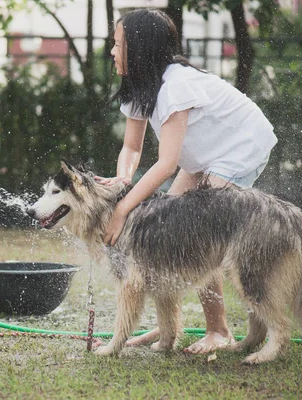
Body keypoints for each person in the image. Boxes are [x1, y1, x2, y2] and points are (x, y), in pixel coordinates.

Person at [97, 9, 277, 353]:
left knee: (196, 232)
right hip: (202, 156)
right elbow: (131, 147)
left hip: (241, 147)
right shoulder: (140, 86)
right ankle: (168, 323)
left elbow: (165, 165)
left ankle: (220, 330)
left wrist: (122, 209)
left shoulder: (175, 86)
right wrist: (123, 180)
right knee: (165, 231)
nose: (112, 51)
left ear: (139, 48)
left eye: (117, 44)